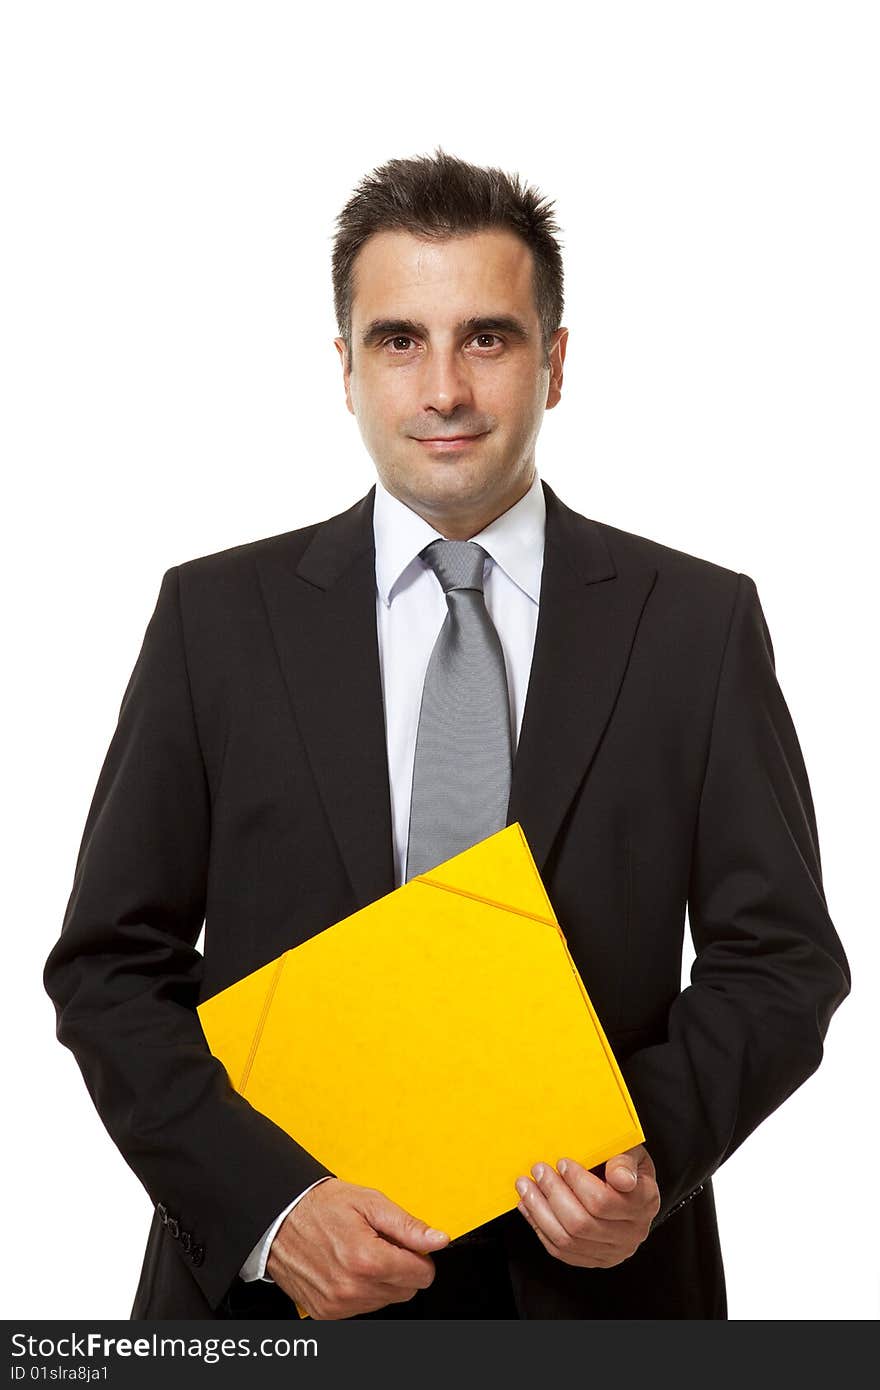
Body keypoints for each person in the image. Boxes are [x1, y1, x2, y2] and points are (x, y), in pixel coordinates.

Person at [44, 149, 850, 1321]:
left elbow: (780, 961)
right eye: (398, 340)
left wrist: (643, 1158)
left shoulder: (694, 624)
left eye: (487, 337)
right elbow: (111, 967)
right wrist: (271, 1209)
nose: (443, 391)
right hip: (275, 1304)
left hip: (595, 1294)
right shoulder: (213, 620)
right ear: (345, 367)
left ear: (554, 361)